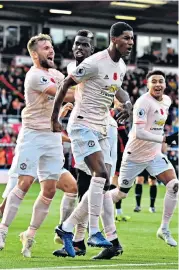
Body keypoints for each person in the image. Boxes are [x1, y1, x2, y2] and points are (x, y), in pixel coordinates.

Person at [51, 22, 134, 257]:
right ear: (113, 38)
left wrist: (127, 104)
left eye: (132, 39)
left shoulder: (121, 66)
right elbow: (65, 84)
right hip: (83, 123)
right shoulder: (94, 63)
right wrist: (54, 119)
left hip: (103, 126)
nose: (130, 42)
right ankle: (93, 232)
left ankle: (68, 229)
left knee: (101, 183)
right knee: (100, 178)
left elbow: (119, 90)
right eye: (126, 38)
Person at [0, 33, 74, 256]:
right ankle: (2, 230)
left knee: (50, 190)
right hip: (32, 135)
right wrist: (86, 88)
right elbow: (63, 93)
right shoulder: (34, 76)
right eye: (45, 48)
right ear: (34, 54)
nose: (50, 51)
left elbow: (64, 95)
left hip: (52, 136)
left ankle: (29, 234)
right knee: (24, 182)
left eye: (51, 47)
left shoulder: (55, 73)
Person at [109, 70, 178, 247]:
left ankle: (164, 229)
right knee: (120, 194)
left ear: (165, 84)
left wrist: (162, 144)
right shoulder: (142, 102)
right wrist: (164, 139)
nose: (158, 84)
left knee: (174, 185)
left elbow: (157, 126)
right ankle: (93, 204)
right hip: (134, 156)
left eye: (161, 81)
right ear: (147, 85)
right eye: (153, 81)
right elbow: (139, 132)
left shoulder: (168, 101)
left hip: (154, 155)